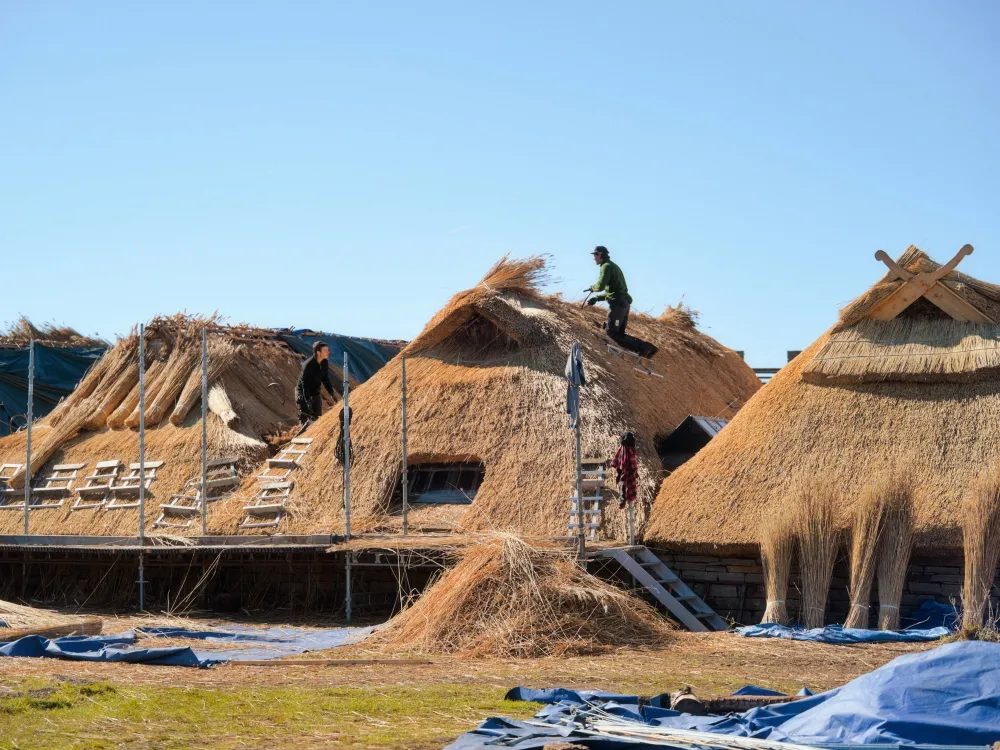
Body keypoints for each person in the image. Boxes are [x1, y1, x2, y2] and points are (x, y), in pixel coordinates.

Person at [585, 246, 658, 358]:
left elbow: (600, 286)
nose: (593, 258)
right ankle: (646, 348)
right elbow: (616, 291)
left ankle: (644, 347)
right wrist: (597, 298)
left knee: (611, 333)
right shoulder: (613, 267)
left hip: (618, 305)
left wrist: (592, 288)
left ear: (600, 255)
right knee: (619, 334)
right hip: (623, 304)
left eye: (595, 255)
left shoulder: (606, 266)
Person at [295, 341, 337, 424]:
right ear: (318, 352)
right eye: (325, 350)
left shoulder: (325, 362)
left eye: (328, 350)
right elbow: (305, 385)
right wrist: (307, 401)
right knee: (306, 422)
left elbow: (325, 379)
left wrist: (332, 393)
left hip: (315, 394)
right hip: (303, 394)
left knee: (317, 420)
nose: (328, 352)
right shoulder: (308, 365)